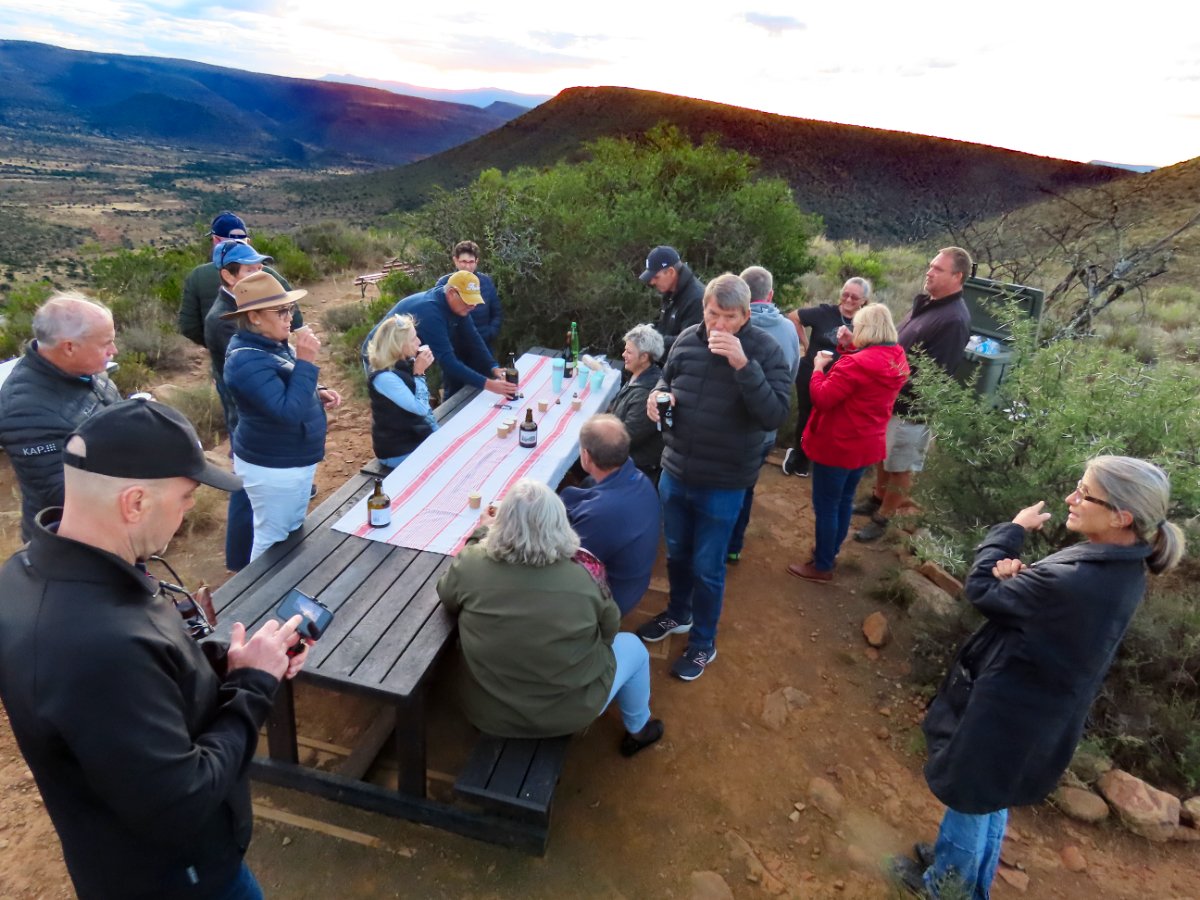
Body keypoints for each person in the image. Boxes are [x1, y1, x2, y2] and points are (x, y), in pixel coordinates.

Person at [0, 398, 309, 899]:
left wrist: (228, 665)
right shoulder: (98, 644)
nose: (189, 510)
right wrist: (253, 687)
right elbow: (181, 802)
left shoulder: (32, 572)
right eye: (186, 496)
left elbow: (138, 694)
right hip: (177, 879)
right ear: (135, 503)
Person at [891, 456, 1184, 899]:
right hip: (1037, 712)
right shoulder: (1122, 568)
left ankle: (946, 888)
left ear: (1121, 516)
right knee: (991, 796)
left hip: (1008, 708)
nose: (1072, 498)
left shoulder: (1079, 578)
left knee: (969, 798)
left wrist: (1013, 531)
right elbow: (1053, 611)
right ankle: (969, 879)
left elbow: (981, 590)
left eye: (1084, 493)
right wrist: (1027, 586)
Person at [436, 479, 664, 755]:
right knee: (635, 649)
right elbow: (609, 631)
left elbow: (447, 595)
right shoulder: (586, 573)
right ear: (559, 522)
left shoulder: (471, 563)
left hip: (487, 712)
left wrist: (479, 535)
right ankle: (638, 729)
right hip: (573, 712)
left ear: (501, 523)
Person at [638, 273, 792, 680]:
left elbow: (774, 414)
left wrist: (743, 364)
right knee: (676, 553)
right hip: (676, 468)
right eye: (711, 314)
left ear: (744, 315)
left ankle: (704, 643)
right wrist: (658, 399)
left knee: (708, 567)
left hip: (724, 480)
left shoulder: (767, 350)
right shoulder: (688, 338)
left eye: (727, 317)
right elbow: (669, 381)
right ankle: (678, 614)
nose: (717, 325)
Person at [222, 271, 342, 560]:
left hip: (289, 459)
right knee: (272, 540)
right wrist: (306, 362)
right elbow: (287, 412)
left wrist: (316, 390)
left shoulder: (268, 344)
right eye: (281, 311)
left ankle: (279, 591)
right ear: (254, 317)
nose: (290, 317)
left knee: (289, 531)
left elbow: (283, 382)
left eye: (290, 309)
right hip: (274, 465)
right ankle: (258, 601)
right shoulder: (245, 360)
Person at [855, 248, 972, 542]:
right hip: (891, 400)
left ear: (957, 277)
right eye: (930, 266)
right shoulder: (927, 305)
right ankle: (877, 498)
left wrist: (890, 384)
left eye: (938, 269)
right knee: (884, 455)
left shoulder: (953, 320)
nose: (929, 272)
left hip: (912, 408)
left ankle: (884, 518)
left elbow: (935, 374)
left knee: (901, 465)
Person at [785, 305, 908, 582]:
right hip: (867, 444)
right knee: (843, 501)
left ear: (866, 329)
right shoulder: (896, 357)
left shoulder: (857, 363)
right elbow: (860, 381)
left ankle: (823, 565)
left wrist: (818, 368)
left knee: (827, 505)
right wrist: (845, 350)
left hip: (838, 444)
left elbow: (823, 398)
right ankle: (830, 551)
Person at [0, 292, 120, 539]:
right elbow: (63, 492)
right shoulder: (25, 410)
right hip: (70, 543)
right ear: (69, 347)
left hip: (109, 525)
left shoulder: (82, 369)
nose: (113, 350)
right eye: (105, 343)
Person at [726, 265, 800, 562]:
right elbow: (791, 374)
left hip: (726, 426)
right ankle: (733, 546)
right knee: (745, 486)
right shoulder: (786, 330)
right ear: (770, 294)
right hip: (764, 431)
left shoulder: (724, 325)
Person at [561, 415, 662, 617]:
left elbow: (564, 567)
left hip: (611, 601)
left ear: (586, 457)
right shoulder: (639, 478)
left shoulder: (600, 513)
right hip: (632, 584)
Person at [363, 270, 516, 401]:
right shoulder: (431, 314)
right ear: (451, 293)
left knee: (412, 403)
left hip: (406, 353)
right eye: (468, 300)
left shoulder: (458, 308)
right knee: (393, 406)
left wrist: (493, 367)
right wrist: (490, 385)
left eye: (474, 300)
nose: (473, 306)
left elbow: (474, 338)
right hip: (380, 355)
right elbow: (448, 362)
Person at [781, 277, 871, 478]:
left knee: (830, 420)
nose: (848, 300)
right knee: (807, 414)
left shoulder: (866, 321)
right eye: (845, 294)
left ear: (864, 300)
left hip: (843, 379)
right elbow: (793, 316)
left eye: (854, 297)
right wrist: (805, 344)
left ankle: (817, 457)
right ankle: (800, 456)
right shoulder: (825, 312)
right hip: (812, 372)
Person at [178, 210, 295, 347]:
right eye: (250, 269)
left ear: (215, 240)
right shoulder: (268, 275)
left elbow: (188, 326)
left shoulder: (197, 275)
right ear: (248, 242)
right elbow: (295, 320)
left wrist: (213, 343)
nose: (257, 272)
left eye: (257, 268)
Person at [366, 313, 438, 467]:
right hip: (398, 450)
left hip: (414, 437)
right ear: (398, 345)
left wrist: (436, 432)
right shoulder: (384, 378)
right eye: (413, 339)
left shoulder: (404, 363)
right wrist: (419, 373)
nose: (418, 341)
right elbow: (421, 409)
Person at [609, 324, 665, 481]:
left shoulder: (646, 393)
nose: (623, 354)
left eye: (629, 352)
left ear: (644, 357)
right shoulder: (638, 375)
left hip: (635, 470)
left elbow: (625, 439)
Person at [434, 240, 503, 352]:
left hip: (483, 345)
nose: (467, 266)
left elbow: (497, 313)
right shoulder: (443, 284)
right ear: (455, 260)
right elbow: (439, 316)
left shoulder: (486, 282)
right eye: (463, 261)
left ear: (477, 262)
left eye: (471, 262)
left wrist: (490, 333)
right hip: (456, 349)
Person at [639, 245, 704, 360]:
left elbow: (689, 342)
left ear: (670, 272)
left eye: (656, 277)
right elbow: (667, 327)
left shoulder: (696, 299)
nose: (652, 282)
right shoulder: (670, 292)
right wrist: (648, 331)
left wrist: (652, 340)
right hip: (668, 364)